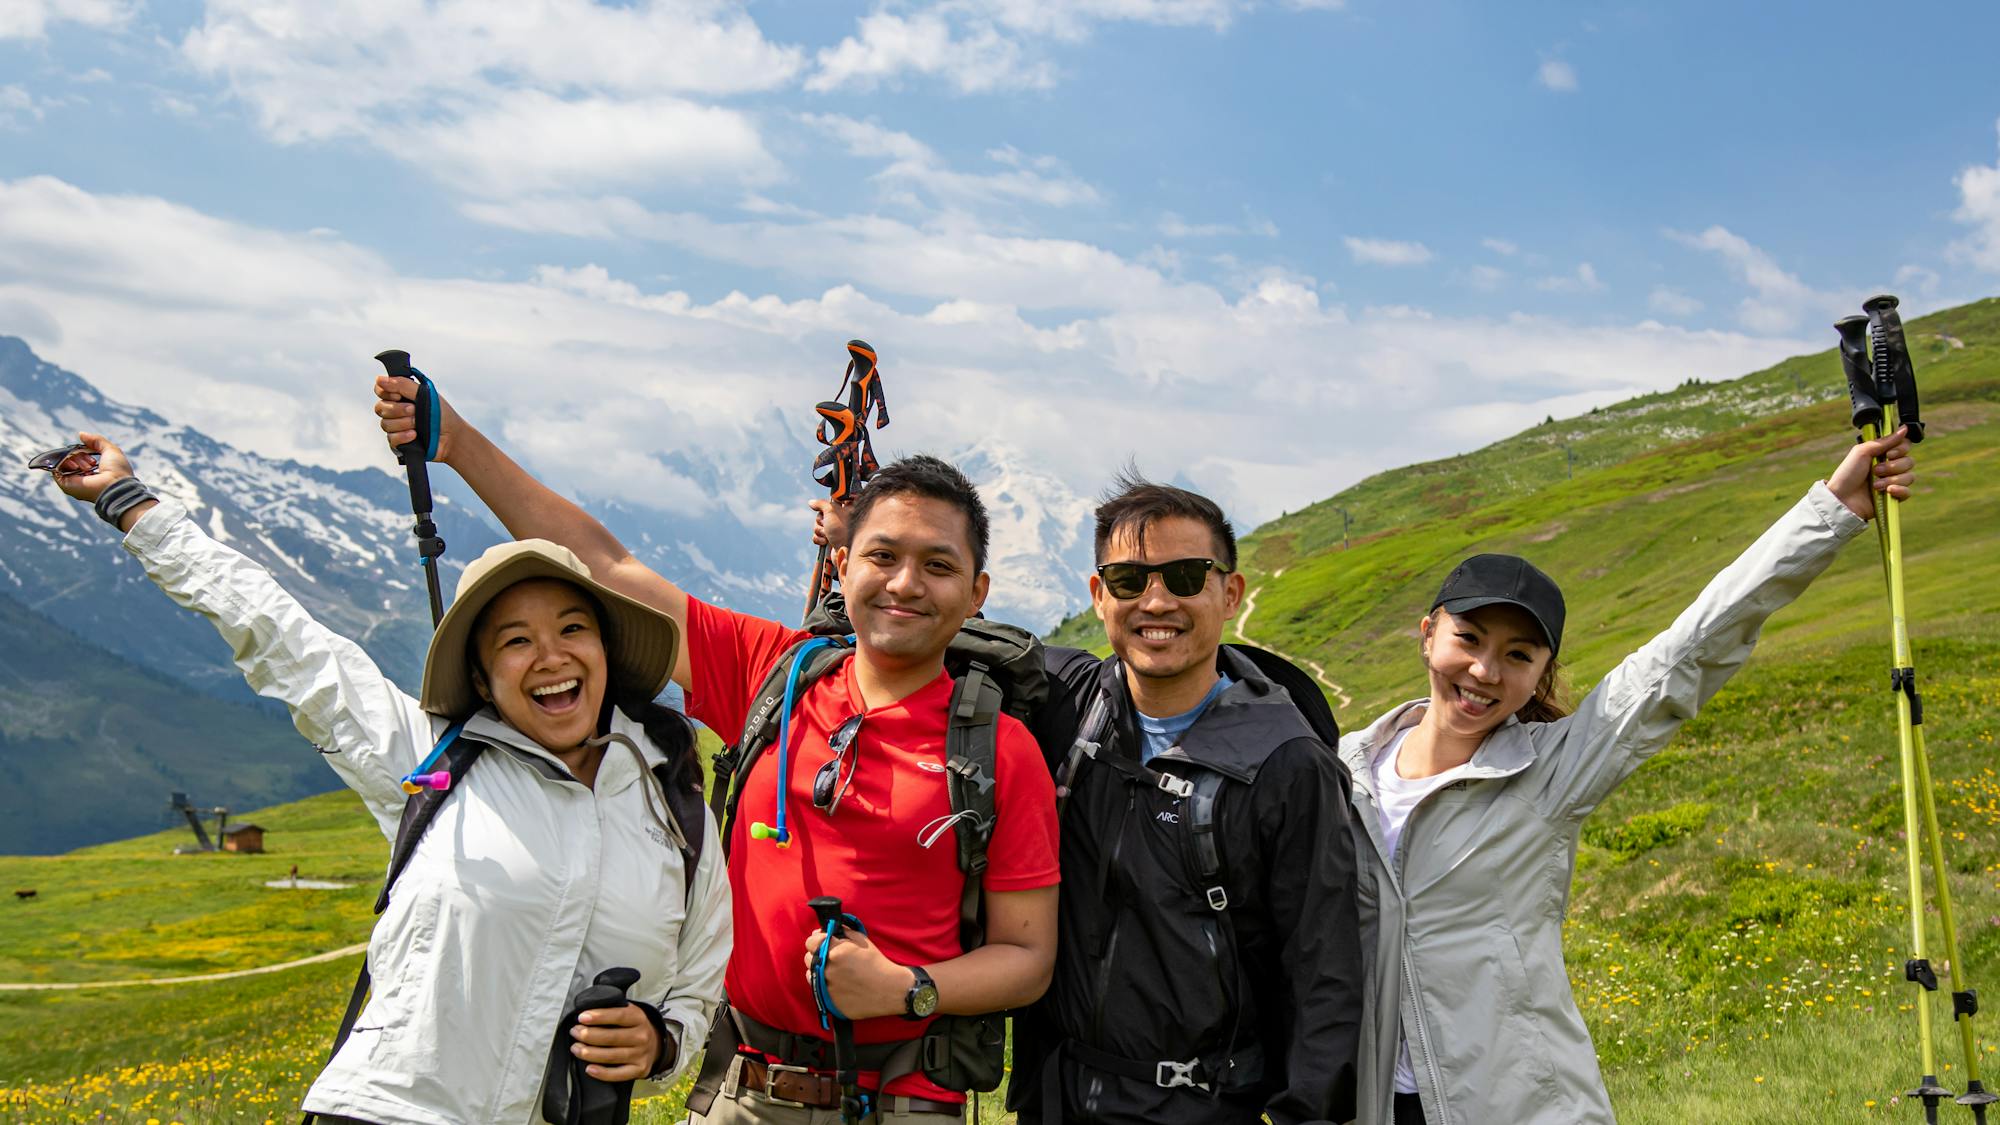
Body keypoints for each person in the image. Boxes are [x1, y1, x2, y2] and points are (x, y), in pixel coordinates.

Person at [370, 382, 1061, 1123]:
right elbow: (606, 566)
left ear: (976, 589)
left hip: (902, 1101)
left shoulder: (998, 748)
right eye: (883, 555)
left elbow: (1027, 958)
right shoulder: (774, 671)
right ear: (844, 562)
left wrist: (909, 987)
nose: (904, 583)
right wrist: (457, 444)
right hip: (741, 1089)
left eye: (938, 565)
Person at [37, 433, 732, 1125]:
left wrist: (658, 1043)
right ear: (483, 678)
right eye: (515, 639)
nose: (550, 655)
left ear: (605, 650)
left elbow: (697, 990)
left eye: (573, 628)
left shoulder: (677, 810)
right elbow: (280, 635)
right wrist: (131, 504)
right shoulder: (426, 755)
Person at [1342, 427, 1917, 1125]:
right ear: (1428, 632)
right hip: (1373, 1107)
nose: (1485, 672)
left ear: (1538, 676)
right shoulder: (1342, 773)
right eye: (1469, 639)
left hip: (1522, 1108)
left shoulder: (1549, 772)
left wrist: (1830, 511)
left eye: (1517, 655)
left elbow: (1688, 653)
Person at [814, 474, 1363, 1125]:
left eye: (1186, 575)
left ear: (1230, 591)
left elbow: (1325, 971)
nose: (1156, 600)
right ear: (1100, 596)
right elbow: (936, 614)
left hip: (1204, 1109)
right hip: (1056, 1100)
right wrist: (866, 544)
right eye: (1130, 580)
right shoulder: (1067, 700)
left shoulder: (1287, 763)